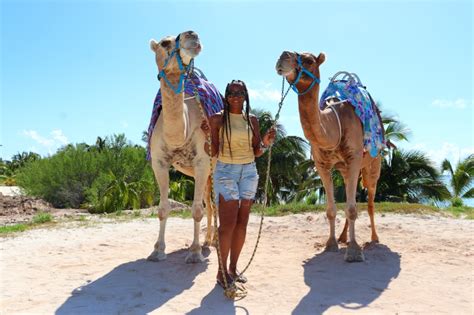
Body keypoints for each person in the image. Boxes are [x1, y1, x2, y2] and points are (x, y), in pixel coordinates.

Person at [201, 79, 276, 288]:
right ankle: (221, 272)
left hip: (249, 172)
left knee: (242, 223)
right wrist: (207, 135)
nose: (236, 96)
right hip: (225, 172)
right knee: (227, 225)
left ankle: (233, 268)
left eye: (240, 92)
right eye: (232, 92)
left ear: (245, 96)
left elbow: (256, 151)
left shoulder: (252, 120)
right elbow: (212, 152)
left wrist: (266, 142)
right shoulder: (216, 120)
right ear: (226, 96)